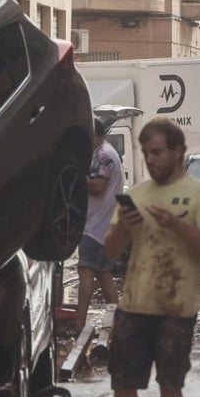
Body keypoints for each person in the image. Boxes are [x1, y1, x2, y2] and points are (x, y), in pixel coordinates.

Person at [84, 118, 200, 397]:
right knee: (123, 384)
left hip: (176, 307)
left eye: (158, 152)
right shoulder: (139, 194)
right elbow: (112, 252)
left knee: (170, 383)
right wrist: (125, 228)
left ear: (178, 151)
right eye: (146, 153)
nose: (151, 159)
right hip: (133, 305)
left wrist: (176, 226)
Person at [74, 118, 123, 335]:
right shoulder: (108, 152)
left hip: (94, 226)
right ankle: (120, 322)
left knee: (85, 271)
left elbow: (98, 186)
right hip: (105, 225)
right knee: (104, 274)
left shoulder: (103, 155)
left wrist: (76, 178)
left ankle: (79, 325)